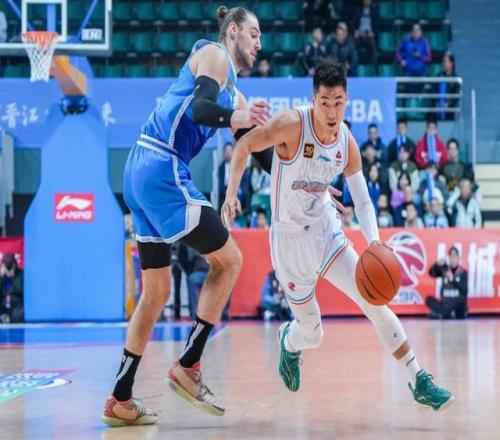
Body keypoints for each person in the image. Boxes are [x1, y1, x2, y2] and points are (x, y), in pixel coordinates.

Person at [222, 59, 453, 412]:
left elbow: (363, 200)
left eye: (339, 102)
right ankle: (289, 342)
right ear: (313, 99)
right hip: (289, 241)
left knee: (374, 302)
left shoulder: (346, 141)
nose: (332, 112)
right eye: (325, 102)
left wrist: (374, 242)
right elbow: (243, 147)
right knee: (313, 333)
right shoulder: (291, 125)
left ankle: (418, 378)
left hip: (325, 230)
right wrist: (230, 194)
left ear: (347, 100)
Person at [101, 6, 272, 427]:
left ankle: (120, 397)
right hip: (162, 164)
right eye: (253, 33)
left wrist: (308, 181)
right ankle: (189, 365)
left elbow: (259, 152)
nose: (259, 43)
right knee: (230, 261)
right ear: (233, 30)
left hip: (140, 171)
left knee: (156, 291)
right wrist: (237, 118)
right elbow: (199, 109)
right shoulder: (215, 54)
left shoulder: (236, 94)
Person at [427, 247, 468, 319]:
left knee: (461, 299)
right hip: (446, 303)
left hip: (456, 302)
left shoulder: (462, 272)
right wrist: (436, 264)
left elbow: (464, 291)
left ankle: (442, 314)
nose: (453, 259)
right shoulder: (445, 270)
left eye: (454, 256)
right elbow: (431, 273)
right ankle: (445, 313)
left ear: (458, 258)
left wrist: (452, 279)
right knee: (428, 299)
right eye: (451, 256)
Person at [436, 52, 460, 121]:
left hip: (449, 113)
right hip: (437, 111)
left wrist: (448, 104)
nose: (443, 64)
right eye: (443, 62)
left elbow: (456, 96)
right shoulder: (439, 76)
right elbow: (434, 91)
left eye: (445, 61)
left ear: (451, 63)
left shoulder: (456, 79)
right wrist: (436, 103)